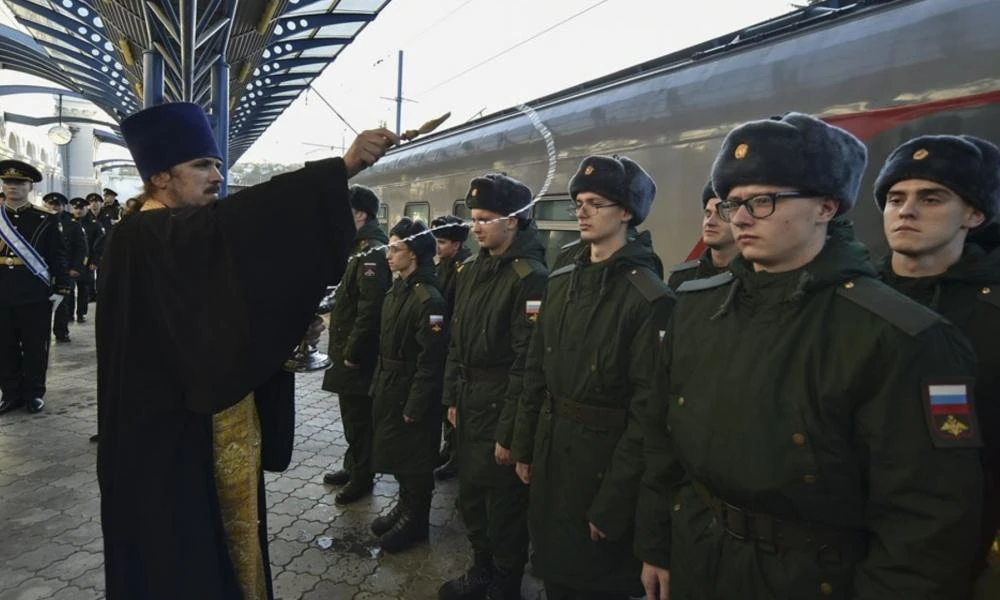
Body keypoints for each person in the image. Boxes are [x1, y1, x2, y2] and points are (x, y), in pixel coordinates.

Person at [635, 113, 984, 600]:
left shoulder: (899, 335)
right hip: (701, 556)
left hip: (813, 577)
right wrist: (657, 544)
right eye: (734, 202)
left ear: (826, 207)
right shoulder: (695, 308)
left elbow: (928, 519)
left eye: (763, 200)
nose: (739, 218)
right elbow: (662, 437)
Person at [96, 101, 398, 599]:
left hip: (209, 425)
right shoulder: (144, 235)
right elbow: (243, 228)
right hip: (164, 441)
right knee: (180, 561)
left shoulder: (176, 232)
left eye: (217, 164)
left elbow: (223, 307)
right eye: (201, 165)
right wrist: (340, 169)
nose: (217, 174)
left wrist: (284, 330)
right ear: (162, 177)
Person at [512, 155, 674, 600]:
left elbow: (649, 414)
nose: (580, 211)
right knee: (553, 569)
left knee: (594, 581)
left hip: (602, 466)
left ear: (627, 212)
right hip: (552, 450)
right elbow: (536, 369)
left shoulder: (649, 298)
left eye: (595, 203)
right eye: (578, 202)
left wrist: (613, 502)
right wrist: (524, 443)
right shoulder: (562, 280)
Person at [873, 134, 1000, 590]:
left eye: (931, 198)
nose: (906, 211)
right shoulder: (849, 301)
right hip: (850, 546)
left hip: (960, 553)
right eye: (895, 198)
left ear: (974, 214)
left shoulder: (991, 315)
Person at [439, 173, 548, 600]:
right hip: (469, 401)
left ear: (514, 222)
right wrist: (451, 396)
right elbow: (456, 338)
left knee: (503, 507)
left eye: (487, 218)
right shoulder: (471, 270)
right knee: (471, 498)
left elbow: (528, 362)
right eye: (474, 218)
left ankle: (505, 582)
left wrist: (513, 434)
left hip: (502, 403)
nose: (477, 226)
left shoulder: (530, 277)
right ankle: (481, 568)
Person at [369, 217, 448, 552]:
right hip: (390, 384)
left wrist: (415, 405)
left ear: (413, 253)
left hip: (411, 389)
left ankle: (416, 521)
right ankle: (405, 507)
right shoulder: (397, 289)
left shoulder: (428, 300)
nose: (389, 254)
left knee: (416, 460)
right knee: (399, 456)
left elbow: (431, 362)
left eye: (396, 248)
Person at [320, 184, 392, 504]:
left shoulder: (372, 250)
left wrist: (352, 352)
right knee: (351, 414)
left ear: (360, 214)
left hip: (357, 353)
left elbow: (370, 306)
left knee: (360, 416)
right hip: (348, 346)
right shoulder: (359, 246)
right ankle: (353, 466)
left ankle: (362, 477)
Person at [0, 160, 71, 415]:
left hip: (33, 294)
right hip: (2, 294)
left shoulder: (45, 219)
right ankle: (10, 394)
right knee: (4, 347)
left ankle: (34, 393)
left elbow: (57, 256)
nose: (12, 187)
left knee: (34, 347)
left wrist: (62, 286)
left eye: (19, 183)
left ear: (30, 186)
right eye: (8, 182)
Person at [431, 213, 471, 481]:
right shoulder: (443, 265)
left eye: (443, 242)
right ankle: (448, 447)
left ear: (456, 244)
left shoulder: (463, 270)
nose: (437, 247)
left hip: (453, 346)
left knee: (455, 404)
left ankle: (457, 456)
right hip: (443, 345)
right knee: (447, 403)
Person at [667, 179, 738, 289]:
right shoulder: (682, 278)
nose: (710, 222)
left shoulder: (755, 278)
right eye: (708, 214)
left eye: (721, 214)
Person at [43, 192, 87, 344]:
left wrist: (76, 267)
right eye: (51, 204)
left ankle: (61, 332)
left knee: (62, 300)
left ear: (63, 207)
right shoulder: (41, 221)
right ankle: (41, 332)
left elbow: (81, 248)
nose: (54, 207)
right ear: (45, 205)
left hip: (65, 269)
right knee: (41, 301)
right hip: (42, 269)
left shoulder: (72, 224)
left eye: (57, 205)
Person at [74, 195, 103, 323]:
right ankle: (68, 314)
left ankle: (81, 313)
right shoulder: (69, 223)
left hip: (87, 261)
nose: (78, 210)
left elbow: (98, 245)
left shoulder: (94, 224)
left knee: (83, 289)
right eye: (76, 208)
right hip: (71, 262)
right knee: (68, 291)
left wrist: (95, 261)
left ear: (86, 208)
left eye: (81, 208)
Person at [84, 192, 105, 302]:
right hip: (90, 249)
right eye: (91, 202)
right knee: (89, 276)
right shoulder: (85, 218)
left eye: (96, 202)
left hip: (105, 250)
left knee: (102, 274)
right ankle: (90, 294)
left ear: (101, 203)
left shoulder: (106, 216)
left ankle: (101, 293)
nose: (94, 204)